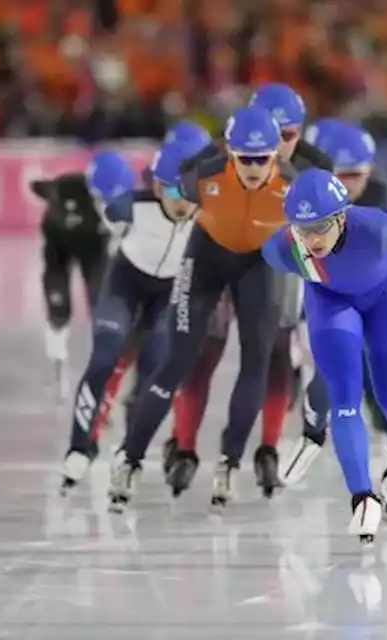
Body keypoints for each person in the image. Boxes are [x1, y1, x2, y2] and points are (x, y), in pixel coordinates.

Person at [108, 106, 298, 512]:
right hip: (206, 259)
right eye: (243, 158)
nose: (251, 167)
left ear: (275, 156)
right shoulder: (204, 173)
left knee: (257, 362)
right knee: (177, 360)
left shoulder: (292, 185)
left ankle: (230, 462)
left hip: (257, 266)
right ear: (230, 153)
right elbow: (159, 186)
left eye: (260, 159)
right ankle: (131, 458)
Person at [160, 83, 336, 500]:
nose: (274, 148)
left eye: (287, 136)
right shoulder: (220, 157)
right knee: (205, 350)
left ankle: (268, 447)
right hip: (223, 258)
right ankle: (183, 442)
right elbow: (183, 188)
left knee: (275, 351)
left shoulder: (314, 166)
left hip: (276, 265)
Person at [260, 168, 387, 546]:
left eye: (319, 227)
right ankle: (362, 496)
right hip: (331, 303)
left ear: (341, 217)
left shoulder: (381, 231)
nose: (312, 239)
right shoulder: (282, 248)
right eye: (303, 228)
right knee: (344, 398)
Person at [279, 121, 387, 489]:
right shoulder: (311, 201)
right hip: (337, 300)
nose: (348, 184)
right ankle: (313, 433)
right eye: (340, 175)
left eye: (355, 174)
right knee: (332, 376)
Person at [58, 145, 198, 495]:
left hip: (167, 295)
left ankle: (129, 453)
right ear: (155, 187)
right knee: (105, 356)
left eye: (190, 192)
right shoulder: (129, 207)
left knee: (154, 369)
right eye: (172, 190)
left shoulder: (207, 213)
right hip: (124, 286)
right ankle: (79, 445)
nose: (182, 202)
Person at [88, 122, 212, 443]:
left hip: (169, 284)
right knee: (128, 352)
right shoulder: (150, 192)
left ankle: (138, 424)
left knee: (151, 356)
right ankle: (101, 422)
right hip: (135, 275)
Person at [34, 164, 111, 389]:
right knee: (59, 306)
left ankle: (107, 357)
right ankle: (57, 348)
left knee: (100, 302)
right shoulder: (56, 214)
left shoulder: (107, 207)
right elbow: (39, 187)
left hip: (93, 248)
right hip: (59, 248)